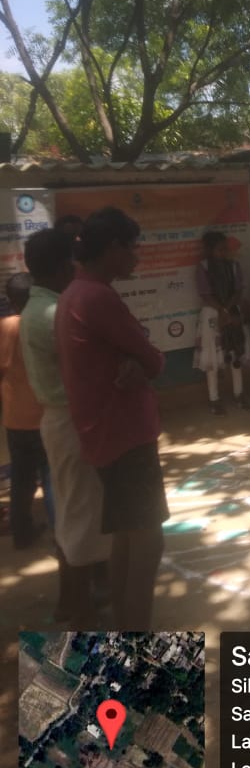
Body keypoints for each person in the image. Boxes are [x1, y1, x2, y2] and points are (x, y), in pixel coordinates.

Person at [56, 207, 167, 630]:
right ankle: (137, 638)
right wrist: (141, 361)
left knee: (126, 535)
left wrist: (136, 360)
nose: (136, 257)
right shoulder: (98, 297)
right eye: (132, 248)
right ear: (113, 248)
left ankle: (124, 626)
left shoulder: (74, 293)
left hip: (103, 434)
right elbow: (153, 359)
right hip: (124, 433)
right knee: (148, 542)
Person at [20, 229, 112, 625]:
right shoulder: (52, 313)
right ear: (64, 266)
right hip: (70, 420)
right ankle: (79, 611)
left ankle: (73, 601)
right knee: (81, 518)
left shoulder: (44, 306)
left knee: (77, 513)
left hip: (61, 418)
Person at [0, 273, 51, 549]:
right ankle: (62, 533)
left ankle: (21, 533)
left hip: (15, 418)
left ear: (10, 300)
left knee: (21, 478)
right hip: (45, 414)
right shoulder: (40, 323)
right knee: (52, 477)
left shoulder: (5, 327)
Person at [193, 230, 250, 414]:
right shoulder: (203, 267)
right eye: (220, 249)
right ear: (210, 250)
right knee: (213, 357)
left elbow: (239, 290)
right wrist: (221, 310)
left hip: (232, 312)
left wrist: (227, 309)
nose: (224, 252)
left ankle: (239, 394)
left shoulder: (234, 266)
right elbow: (205, 294)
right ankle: (214, 399)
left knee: (235, 353)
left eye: (225, 248)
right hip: (212, 313)